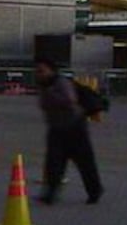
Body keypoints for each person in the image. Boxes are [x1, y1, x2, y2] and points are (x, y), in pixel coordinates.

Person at [34, 57, 103, 205]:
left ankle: (94, 191)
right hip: (56, 128)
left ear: (51, 71)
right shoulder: (44, 85)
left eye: (41, 71)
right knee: (53, 162)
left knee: (84, 162)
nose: (38, 74)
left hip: (75, 128)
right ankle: (50, 194)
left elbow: (69, 100)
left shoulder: (61, 83)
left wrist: (50, 94)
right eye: (37, 71)